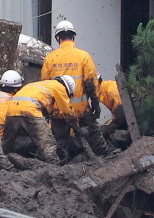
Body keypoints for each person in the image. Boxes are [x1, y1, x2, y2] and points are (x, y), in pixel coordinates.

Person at [41, 20, 108, 161]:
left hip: (59, 110)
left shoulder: (50, 58)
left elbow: (45, 85)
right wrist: (95, 103)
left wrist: (47, 111)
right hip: (81, 109)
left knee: (60, 141)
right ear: (73, 37)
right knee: (95, 135)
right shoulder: (84, 56)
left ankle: (62, 165)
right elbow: (91, 82)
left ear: (58, 38)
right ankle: (105, 158)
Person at [2, 76, 77, 164]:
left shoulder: (39, 84)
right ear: (68, 89)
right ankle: (55, 166)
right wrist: (76, 127)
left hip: (11, 109)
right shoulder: (60, 87)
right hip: (30, 110)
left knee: (7, 142)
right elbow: (67, 112)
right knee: (47, 143)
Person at [97, 75, 129, 147]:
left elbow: (122, 114)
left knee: (115, 137)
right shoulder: (103, 90)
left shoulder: (111, 90)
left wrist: (107, 128)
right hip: (125, 115)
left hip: (133, 116)